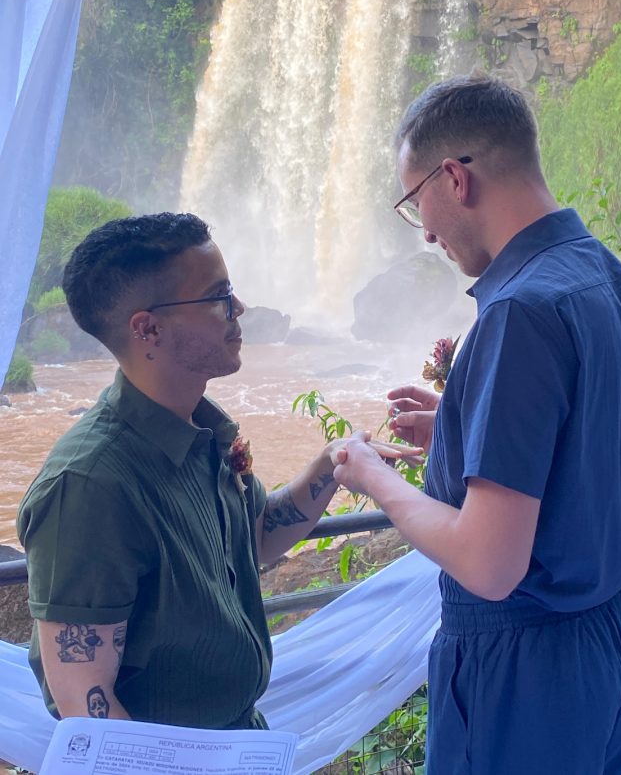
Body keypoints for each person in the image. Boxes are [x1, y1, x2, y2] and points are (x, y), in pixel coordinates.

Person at [330, 74, 621, 774]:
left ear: (453, 178)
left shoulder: (520, 310)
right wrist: (462, 426)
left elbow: (490, 566)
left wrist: (374, 479)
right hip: (609, 645)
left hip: (520, 669)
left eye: (413, 201)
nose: (422, 230)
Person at [17, 212, 409, 729]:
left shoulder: (203, 434)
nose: (240, 309)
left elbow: (258, 537)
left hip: (239, 743)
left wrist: (329, 467)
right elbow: (85, 703)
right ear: (147, 328)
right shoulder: (89, 486)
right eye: (220, 296)